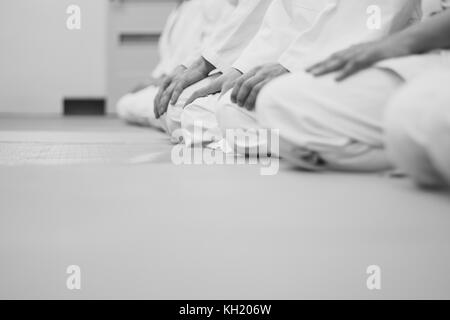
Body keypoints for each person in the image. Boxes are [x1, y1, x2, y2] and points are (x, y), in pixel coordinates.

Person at [214, 0, 424, 172]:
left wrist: (292, 65)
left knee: (274, 103)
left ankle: (402, 155)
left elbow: (370, 27)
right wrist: (246, 70)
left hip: (365, 63)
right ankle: (310, 142)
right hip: (304, 64)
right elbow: (280, 28)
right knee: (231, 109)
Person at [257, 0, 450, 183]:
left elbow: (377, 18)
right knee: (253, 109)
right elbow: (283, 18)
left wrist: (296, 65)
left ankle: (407, 149)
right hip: (423, 55)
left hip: (411, 51)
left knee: (415, 119)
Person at [116, 0, 232, 129]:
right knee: (125, 104)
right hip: (176, 78)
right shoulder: (179, 9)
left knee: (175, 108)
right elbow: (170, 61)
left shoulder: (207, 5)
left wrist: (159, 81)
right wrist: (154, 81)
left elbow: (211, 51)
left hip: (204, 75)